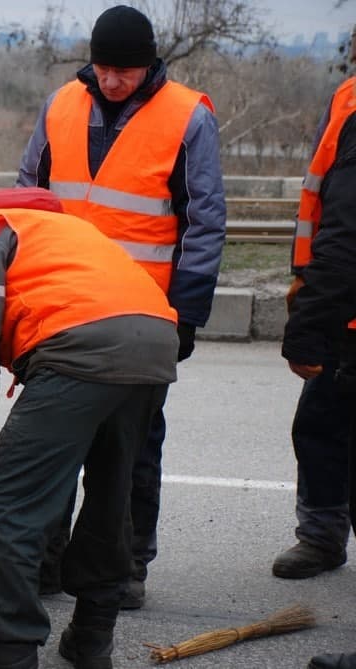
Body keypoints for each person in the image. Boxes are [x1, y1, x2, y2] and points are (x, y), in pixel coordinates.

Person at [16, 4, 226, 608]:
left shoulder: (188, 117)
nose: (112, 81)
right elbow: (31, 201)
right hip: (59, 312)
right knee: (55, 444)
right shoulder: (60, 106)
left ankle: (126, 564)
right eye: (104, 69)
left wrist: (185, 313)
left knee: (132, 449)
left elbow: (204, 223)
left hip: (142, 318)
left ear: (150, 65)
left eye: (125, 72)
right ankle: (46, 563)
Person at [0, 187, 178, 669]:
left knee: (1, 505)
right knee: (111, 495)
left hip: (79, 346)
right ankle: (91, 637)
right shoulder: (55, 227)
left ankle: (12, 654)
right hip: (153, 340)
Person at [279, 64, 356, 669]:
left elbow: (347, 234)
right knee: (320, 425)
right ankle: (323, 536)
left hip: (343, 314)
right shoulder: (347, 97)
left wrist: (309, 324)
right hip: (340, 309)